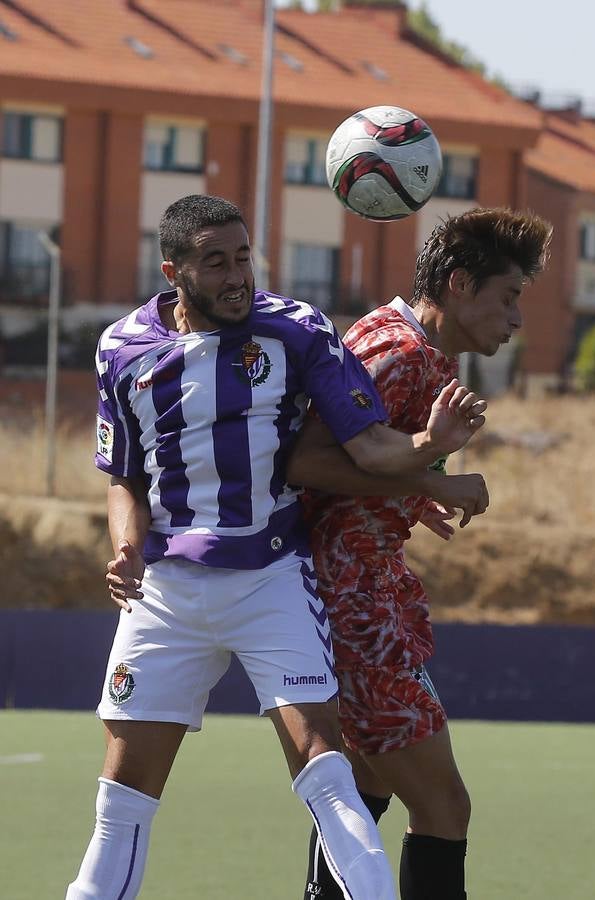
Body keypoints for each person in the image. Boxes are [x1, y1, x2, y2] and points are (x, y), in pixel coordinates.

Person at [66, 194, 489, 900]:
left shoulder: (296, 329)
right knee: (122, 798)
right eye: (215, 263)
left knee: (325, 768)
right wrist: (126, 548)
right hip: (165, 593)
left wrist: (429, 452)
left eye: (243, 258)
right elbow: (123, 476)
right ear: (173, 270)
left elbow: (366, 443)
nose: (237, 277)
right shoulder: (121, 348)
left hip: (271, 577)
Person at [287, 207, 553, 900]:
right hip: (354, 606)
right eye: (510, 296)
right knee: (444, 808)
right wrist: (430, 476)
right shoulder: (405, 353)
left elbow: (357, 456)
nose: (517, 318)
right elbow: (305, 463)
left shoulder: (399, 335)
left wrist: (405, 496)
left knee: (367, 787)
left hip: (359, 596)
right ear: (460, 284)